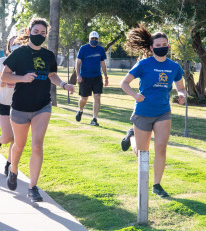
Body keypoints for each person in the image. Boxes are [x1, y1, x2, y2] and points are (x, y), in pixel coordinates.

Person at [1, 18, 74, 202]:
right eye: (36, 32)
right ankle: (14, 169)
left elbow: (51, 75)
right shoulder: (19, 53)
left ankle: (33, 187)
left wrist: (63, 84)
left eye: (43, 33)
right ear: (29, 31)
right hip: (19, 107)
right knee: (19, 145)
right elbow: (5, 76)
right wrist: (22, 78)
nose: (39, 35)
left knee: (37, 145)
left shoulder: (49, 55)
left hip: (42, 105)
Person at [120, 24, 186, 197]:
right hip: (143, 111)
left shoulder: (175, 67)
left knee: (161, 148)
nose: (161, 47)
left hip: (163, 111)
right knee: (141, 153)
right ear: (151, 48)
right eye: (157, 45)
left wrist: (181, 95)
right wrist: (135, 95)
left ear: (168, 46)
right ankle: (131, 136)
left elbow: (181, 87)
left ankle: (157, 185)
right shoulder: (144, 64)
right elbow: (124, 83)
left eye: (164, 44)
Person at [0, 36, 21, 176]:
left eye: (19, 44)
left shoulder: (24, 63)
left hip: (19, 104)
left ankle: (9, 165)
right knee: (7, 137)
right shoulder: (2, 61)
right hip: (3, 103)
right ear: (9, 46)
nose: (16, 46)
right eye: (14, 44)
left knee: (16, 140)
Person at [75, 31, 108, 126]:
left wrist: (106, 77)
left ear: (98, 39)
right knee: (84, 99)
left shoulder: (101, 49)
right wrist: (78, 75)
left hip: (97, 77)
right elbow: (78, 62)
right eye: (92, 39)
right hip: (85, 77)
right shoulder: (83, 48)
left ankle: (94, 119)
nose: (94, 40)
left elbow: (103, 63)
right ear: (89, 39)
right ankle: (80, 110)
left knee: (97, 97)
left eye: (96, 39)